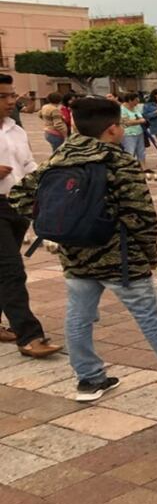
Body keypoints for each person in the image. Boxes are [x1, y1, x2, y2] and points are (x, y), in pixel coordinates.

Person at [10, 97, 157, 399]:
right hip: (121, 258)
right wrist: (149, 256)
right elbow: (142, 216)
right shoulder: (118, 162)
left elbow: (18, 196)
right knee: (152, 318)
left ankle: (89, 379)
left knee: (78, 318)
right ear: (112, 128)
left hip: (75, 255)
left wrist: (62, 223)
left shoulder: (59, 158)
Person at [0, 74, 63, 359]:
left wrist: (46, 183)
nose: (10, 101)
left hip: (16, 205)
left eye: (12, 95)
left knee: (4, 270)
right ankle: (29, 336)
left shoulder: (16, 130)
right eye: (3, 96)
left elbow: (27, 165)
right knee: (11, 271)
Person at [119, 92, 149, 171]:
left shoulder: (135, 108)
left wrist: (138, 120)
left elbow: (140, 117)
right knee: (130, 152)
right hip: (128, 134)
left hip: (139, 132)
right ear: (130, 100)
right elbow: (126, 122)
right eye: (136, 100)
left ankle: (143, 168)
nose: (138, 101)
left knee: (141, 151)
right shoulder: (122, 109)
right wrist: (139, 121)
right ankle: (130, 169)